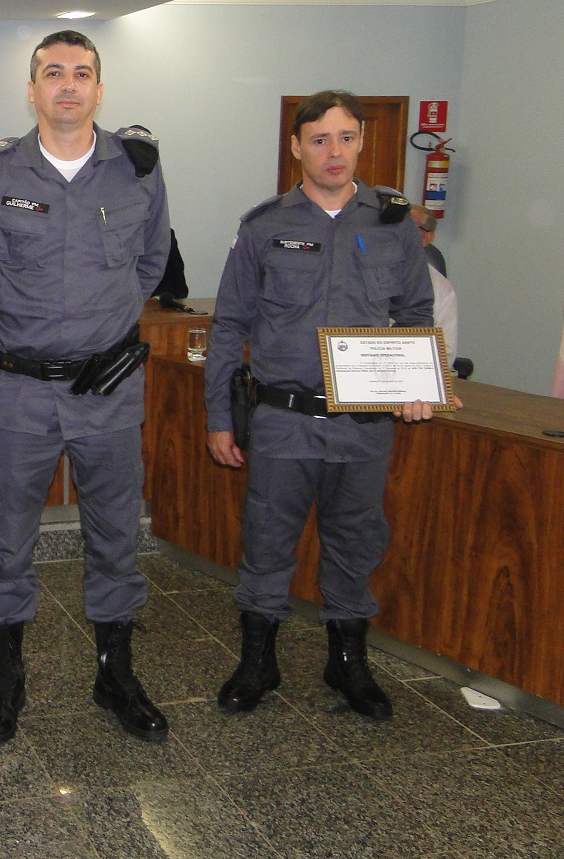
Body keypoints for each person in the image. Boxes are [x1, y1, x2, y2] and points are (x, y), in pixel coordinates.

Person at [0, 30, 172, 745]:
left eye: (82, 73)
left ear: (100, 89)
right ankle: (5, 681)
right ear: (31, 88)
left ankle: (115, 675)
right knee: (7, 539)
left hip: (108, 390)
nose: (68, 85)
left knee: (115, 536)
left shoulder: (136, 169)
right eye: (53, 72)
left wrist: (99, 329)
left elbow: (149, 265)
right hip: (20, 390)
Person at [204, 90, 440, 722]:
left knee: (356, 540)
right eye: (318, 140)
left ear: (361, 141)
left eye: (345, 138)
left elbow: (416, 315)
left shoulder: (393, 224)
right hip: (283, 419)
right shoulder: (264, 226)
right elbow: (229, 325)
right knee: (267, 539)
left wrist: (420, 383)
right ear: (296, 148)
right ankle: (258, 662)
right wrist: (220, 418)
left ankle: (348, 665)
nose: (333, 152)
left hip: (364, 424)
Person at [409, 204, 459, 362]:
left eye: (408, 228)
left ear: (426, 238)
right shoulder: (361, 273)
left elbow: (446, 352)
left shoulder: (440, 288)